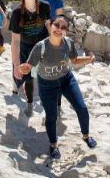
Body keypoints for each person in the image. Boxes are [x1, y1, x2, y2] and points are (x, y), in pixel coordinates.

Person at [19, 16, 97, 159]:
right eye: (57, 25)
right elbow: (29, 66)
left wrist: (89, 59)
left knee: (82, 108)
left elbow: (74, 60)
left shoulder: (68, 43)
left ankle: (86, 136)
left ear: (66, 31)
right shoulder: (40, 47)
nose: (59, 29)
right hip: (47, 85)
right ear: (50, 25)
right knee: (51, 116)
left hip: (66, 80)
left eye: (63, 27)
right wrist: (24, 68)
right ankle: (53, 145)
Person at [10, 0, 51, 117]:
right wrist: (15, 65)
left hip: (42, 47)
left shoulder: (45, 6)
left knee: (45, 77)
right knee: (25, 77)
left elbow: (48, 26)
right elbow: (15, 41)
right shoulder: (16, 13)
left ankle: (49, 108)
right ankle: (29, 103)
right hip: (25, 47)